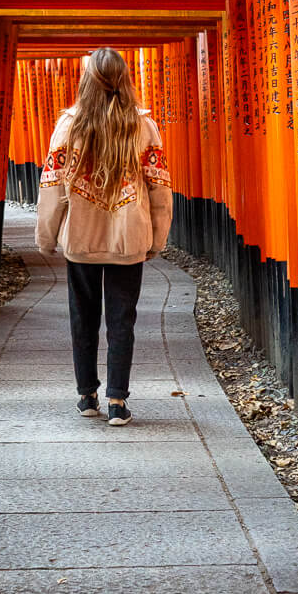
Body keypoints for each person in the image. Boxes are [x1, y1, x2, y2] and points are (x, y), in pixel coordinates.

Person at [34, 48, 173, 424]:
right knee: (121, 319)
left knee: (83, 316)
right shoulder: (142, 126)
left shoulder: (69, 126)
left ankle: (86, 395)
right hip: (129, 238)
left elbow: (51, 187)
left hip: (80, 239)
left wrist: (46, 237)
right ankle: (117, 401)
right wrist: (157, 239)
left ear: (86, 80)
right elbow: (159, 188)